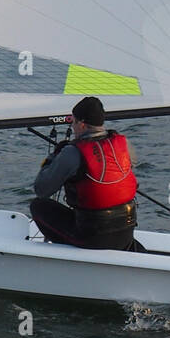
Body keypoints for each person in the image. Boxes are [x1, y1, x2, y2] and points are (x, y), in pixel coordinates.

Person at [30, 96, 141, 252]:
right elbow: (131, 165)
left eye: (73, 122)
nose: (73, 126)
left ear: (81, 124)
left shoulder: (72, 152)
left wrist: (53, 158)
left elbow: (42, 190)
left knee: (38, 206)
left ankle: (68, 257)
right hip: (126, 231)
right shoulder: (123, 143)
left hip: (91, 237)